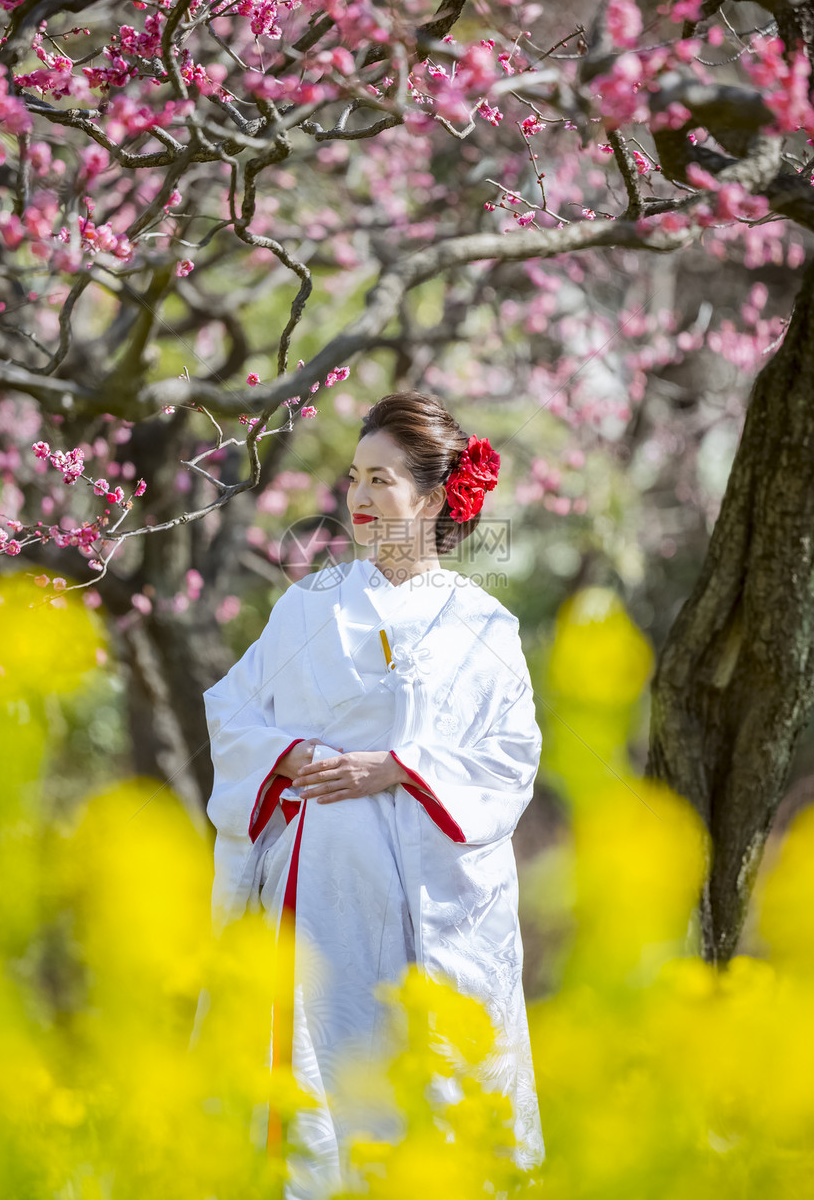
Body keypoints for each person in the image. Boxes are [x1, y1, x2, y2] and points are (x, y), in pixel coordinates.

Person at [202, 391, 544, 1198]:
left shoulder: (485, 625)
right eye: (354, 477)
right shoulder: (309, 606)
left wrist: (396, 768)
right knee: (317, 1102)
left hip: (431, 907)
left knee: (432, 1102)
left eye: (381, 480)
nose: (357, 498)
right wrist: (292, 757)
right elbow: (233, 707)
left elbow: (510, 758)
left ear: (432, 497)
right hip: (319, 896)